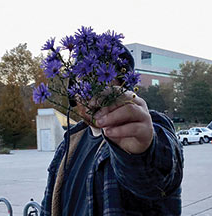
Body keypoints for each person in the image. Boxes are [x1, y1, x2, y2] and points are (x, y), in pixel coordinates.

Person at [40, 48, 183, 215]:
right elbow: (48, 207)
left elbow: (159, 177)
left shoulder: (147, 128)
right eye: (84, 80)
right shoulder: (68, 145)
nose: (92, 92)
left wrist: (142, 153)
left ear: (123, 88)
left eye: (102, 79)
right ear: (72, 93)